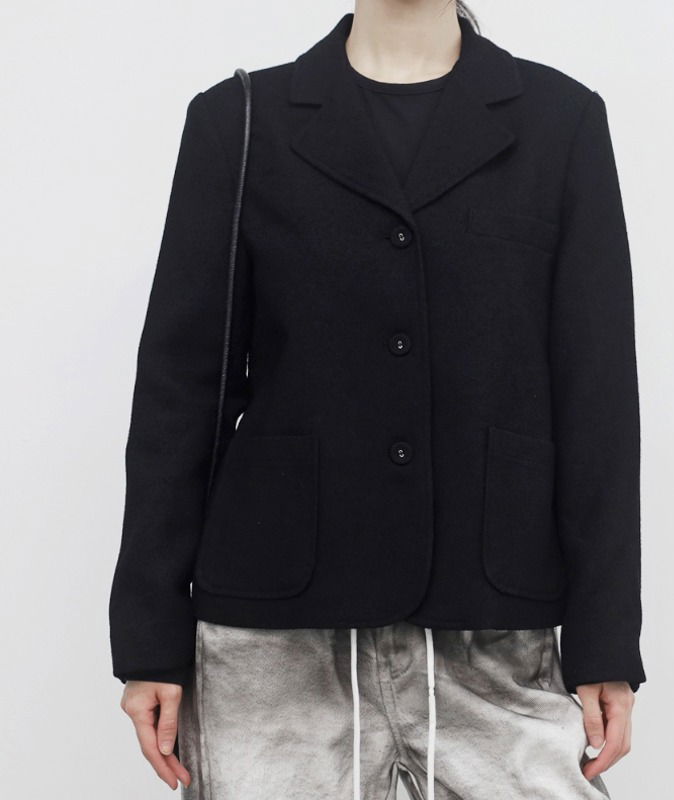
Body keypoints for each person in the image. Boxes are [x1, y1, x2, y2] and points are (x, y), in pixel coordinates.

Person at [109, 2, 645, 797]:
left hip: (492, 622)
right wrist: (150, 637)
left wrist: (606, 640)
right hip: (276, 632)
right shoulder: (240, 122)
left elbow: (596, 396)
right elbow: (181, 393)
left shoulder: (560, 121)